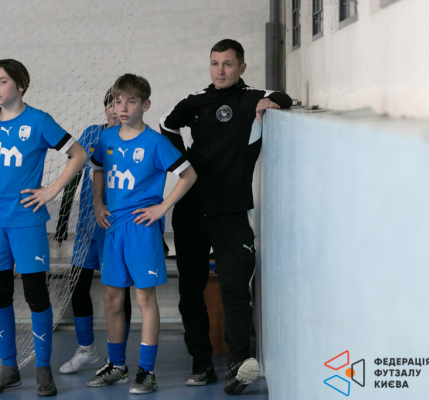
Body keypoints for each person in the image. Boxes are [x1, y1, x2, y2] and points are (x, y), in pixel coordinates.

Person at [159, 39, 292, 395]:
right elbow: (166, 123)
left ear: (241, 67)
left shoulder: (250, 97)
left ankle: (238, 363)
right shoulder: (195, 100)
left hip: (231, 212)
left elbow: (284, 97)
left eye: (228, 64)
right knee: (191, 290)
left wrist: (267, 103)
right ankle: (201, 363)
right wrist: (182, 162)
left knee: (236, 289)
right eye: (215, 63)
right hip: (190, 212)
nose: (220, 71)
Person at [0, 59, 87, 397]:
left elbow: (79, 155)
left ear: (21, 85)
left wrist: (52, 190)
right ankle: (8, 369)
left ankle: (42, 369)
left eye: (2, 81)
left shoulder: (39, 121)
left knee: (35, 294)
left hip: (27, 221)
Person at [87, 74, 197, 394]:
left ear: (145, 105)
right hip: (113, 228)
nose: (122, 108)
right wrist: (97, 203)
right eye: (118, 101)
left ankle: (147, 372)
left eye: (130, 101)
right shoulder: (106, 138)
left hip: (141, 229)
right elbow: (97, 169)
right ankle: (117, 365)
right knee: (111, 297)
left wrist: (162, 208)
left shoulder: (156, 142)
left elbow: (189, 175)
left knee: (144, 298)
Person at [58, 89, 133, 375]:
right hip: (87, 227)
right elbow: (73, 177)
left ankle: (118, 357)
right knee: (77, 286)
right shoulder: (91, 134)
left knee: (119, 291)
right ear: (106, 109)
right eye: (112, 103)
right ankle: (86, 349)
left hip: (117, 227)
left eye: (123, 103)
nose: (116, 109)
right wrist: (63, 221)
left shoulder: (135, 139)